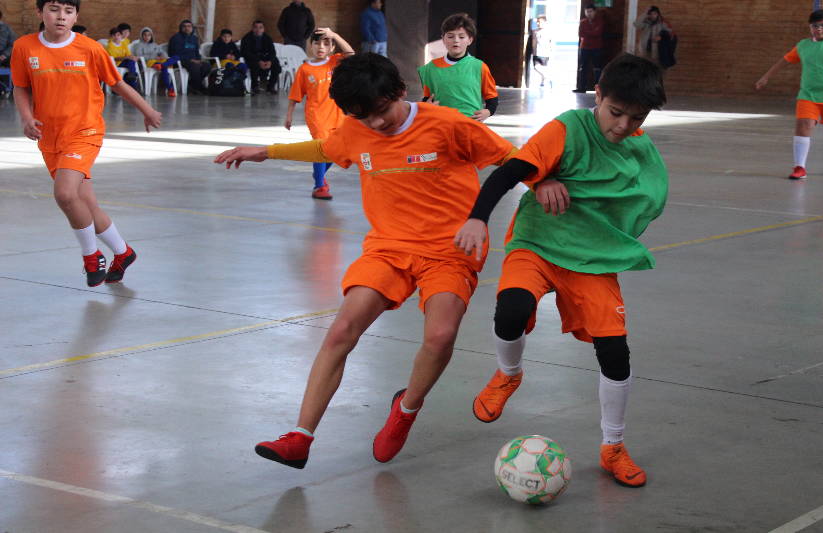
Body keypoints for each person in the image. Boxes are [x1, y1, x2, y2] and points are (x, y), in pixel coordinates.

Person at [213, 53, 515, 469]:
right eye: (362, 117)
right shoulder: (357, 128)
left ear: (399, 92)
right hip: (388, 247)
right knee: (341, 329)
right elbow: (327, 146)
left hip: (449, 249)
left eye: (380, 112)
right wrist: (266, 151)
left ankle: (405, 410)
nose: (374, 124)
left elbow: (512, 160)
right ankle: (300, 437)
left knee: (440, 335)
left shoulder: (448, 124)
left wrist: (542, 184)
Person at [454, 54, 668, 488]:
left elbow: (645, 196)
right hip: (537, 242)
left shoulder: (639, 149)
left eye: (636, 117)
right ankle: (508, 375)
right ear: (599, 96)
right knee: (510, 311)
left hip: (590, 256)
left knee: (615, 353)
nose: (623, 126)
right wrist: (480, 216)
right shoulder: (568, 129)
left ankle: (613, 446)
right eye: (616, 112)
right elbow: (509, 173)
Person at [11, 0, 162, 287]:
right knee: (85, 203)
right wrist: (27, 118)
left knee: (66, 195)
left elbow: (117, 83)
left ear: (76, 15)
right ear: (39, 12)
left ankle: (91, 257)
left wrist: (147, 110)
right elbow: (21, 86)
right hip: (49, 136)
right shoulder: (24, 47)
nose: (61, 17)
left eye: (68, 11)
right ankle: (123, 252)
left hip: (85, 132)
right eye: (54, 9)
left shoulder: (90, 48)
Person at [755, 9, 823, 180]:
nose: (819, 29)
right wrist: (766, 77)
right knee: (802, 126)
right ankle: (800, 167)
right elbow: (784, 60)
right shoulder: (803, 45)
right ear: (810, 27)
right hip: (808, 95)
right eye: (815, 26)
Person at [285, 28, 354, 200]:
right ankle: (319, 186)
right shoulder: (304, 69)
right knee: (322, 148)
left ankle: (319, 174)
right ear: (311, 46)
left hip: (338, 114)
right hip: (317, 116)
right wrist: (289, 115)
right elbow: (295, 94)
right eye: (317, 43)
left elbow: (352, 54)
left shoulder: (335, 62)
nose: (321, 47)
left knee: (340, 151)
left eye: (326, 43)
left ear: (332, 47)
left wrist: (336, 35)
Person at [417, 13, 498, 122]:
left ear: (470, 40)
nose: (456, 40)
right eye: (450, 36)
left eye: (461, 36)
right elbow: (427, 98)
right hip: (441, 124)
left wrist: (487, 112)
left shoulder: (479, 67)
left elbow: (492, 98)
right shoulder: (431, 68)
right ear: (443, 39)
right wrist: (426, 106)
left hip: (470, 124)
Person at [132, 27, 179, 97]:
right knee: (164, 67)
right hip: (150, 63)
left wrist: (163, 56)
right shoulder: (138, 45)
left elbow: (162, 52)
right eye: (145, 35)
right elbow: (140, 57)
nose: (147, 37)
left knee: (176, 57)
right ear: (142, 36)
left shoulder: (154, 44)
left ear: (151, 36)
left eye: (149, 35)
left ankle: (163, 65)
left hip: (159, 62)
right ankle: (170, 89)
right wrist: (154, 56)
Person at [168, 19, 210, 94]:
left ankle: (193, 84)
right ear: (181, 28)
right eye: (184, 26)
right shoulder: (176, 38)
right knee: (195, 67)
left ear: (192, 28)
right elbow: (175, 53)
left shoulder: (194, 38)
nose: (187, 28)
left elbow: (197, 52)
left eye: (189, 26)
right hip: (180, 61)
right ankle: (198, 87)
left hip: (193, 61)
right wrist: (191, 60)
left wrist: (199, 60)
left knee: (206, 66)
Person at [240, 20, 282, 94]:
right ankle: (255, 86)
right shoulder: (246, 38)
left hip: (265, 57)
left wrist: (270, 61)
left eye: (260, 27)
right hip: (252, 58)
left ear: (263, 29)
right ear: (252, 28)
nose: (258, 30)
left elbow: (272, 52)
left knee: (276, 65)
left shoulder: (267, 38)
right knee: (254, 65)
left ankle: (270, 86)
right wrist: (259, 61)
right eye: (256, 27)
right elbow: (245, 52)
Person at [574, 3, 604, 93]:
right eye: (587, 12)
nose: (589, 13)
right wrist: (591, 32)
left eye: (590, 11)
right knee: (583, 68)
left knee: (597, 69)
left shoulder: (600, 21)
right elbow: (581, 34)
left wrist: (588, 33)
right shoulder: (583, 22)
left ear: (595, 12)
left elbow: (598, 33)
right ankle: (581, 88)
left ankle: (598, 89)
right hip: (584, 48)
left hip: (596, 47)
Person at [105, 26, 140, 91]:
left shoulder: (123, 44)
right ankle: (133, 79)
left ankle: (131, 77)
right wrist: (126, 57)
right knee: (130, 62)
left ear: (121, 36)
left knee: (131, 61)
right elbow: (114, 59)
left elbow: (128, 54)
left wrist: (133, 57)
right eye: (114, 35)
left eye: (118, 35)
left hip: (125, 62)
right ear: (111, 36)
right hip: (116, 64)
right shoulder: (110, 46)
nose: (116, 37)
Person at [531, 14, 552, 88]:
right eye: (537, 22)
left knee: (543, 68)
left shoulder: (548, 31)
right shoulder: (535, 31)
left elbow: (551, 42)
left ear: (545, 22)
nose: (538, 23)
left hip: (545, 53)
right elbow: (533, 41)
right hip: (536, 53)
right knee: (536, 67)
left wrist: (551, 51)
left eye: (539, 22)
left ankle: (543, 82)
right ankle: (548, 78)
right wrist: (532, 51)